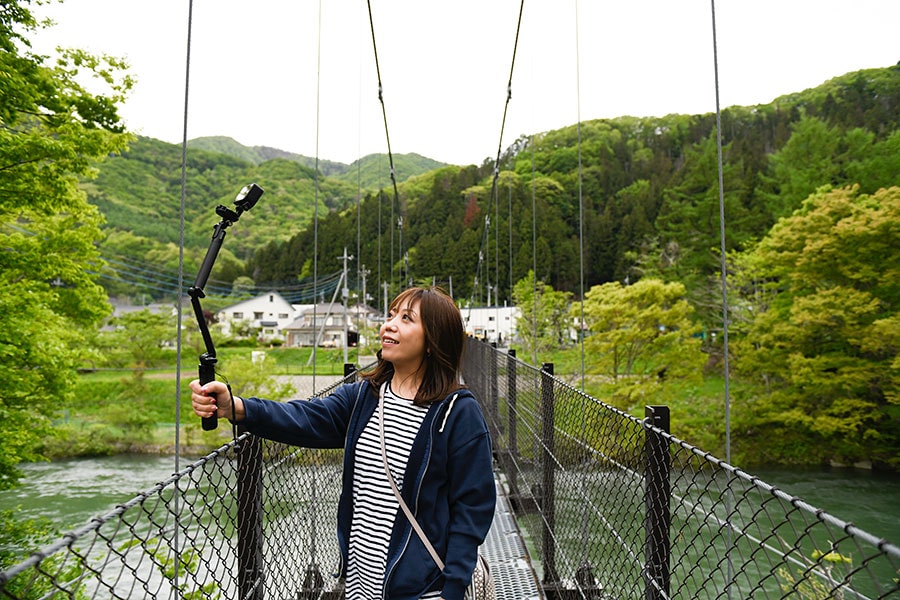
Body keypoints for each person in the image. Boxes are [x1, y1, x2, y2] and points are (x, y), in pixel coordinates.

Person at [190, 286, 496, 600]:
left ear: (433, 340)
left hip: (425, 589)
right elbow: (306, 417)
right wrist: (237, 407)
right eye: (390, 315)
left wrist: (453, 588)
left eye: (406, 319)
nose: (388, 324)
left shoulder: (457, 413)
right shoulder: (364, 397)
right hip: (359, 585)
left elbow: (473, 507)